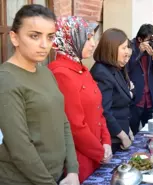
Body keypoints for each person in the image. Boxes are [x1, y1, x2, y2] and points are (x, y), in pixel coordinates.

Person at [0, 4, 79, 185]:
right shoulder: (6, 80)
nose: (44, 45)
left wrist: (73, 170)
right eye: (34, 36)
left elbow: (63, 121)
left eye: (50, 37)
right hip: (21, 180)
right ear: (14, 38)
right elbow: (19, 148)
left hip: (57, 175)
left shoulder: (45, 72)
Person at [48, 16, 112, 183]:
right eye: (87, 39)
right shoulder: (61, 73)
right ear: (71, 39)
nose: (93, 44)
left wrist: (106, 142)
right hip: (79, 160)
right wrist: (100, 151)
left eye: (92, 38)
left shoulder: (82, 69)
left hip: (96, 154)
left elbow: (99, 111)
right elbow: (74, 125)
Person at [91, 28, 134, 153]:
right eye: (124, 48)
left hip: (121, 132)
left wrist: (128, 129)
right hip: (112, 139)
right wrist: (123, 135)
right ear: (111, 48)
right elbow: (104, 111)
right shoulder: (101, 72)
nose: (127, 52)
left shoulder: (116, 68)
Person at [127, 24, 153, 135]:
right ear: (140, 39)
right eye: (148, 41)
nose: (151, 44)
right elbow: (126, 69)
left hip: (150, 100)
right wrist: (139, 53)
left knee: (151, 134)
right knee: (133, 134)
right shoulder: (129, 47)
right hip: (135, 100)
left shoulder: (152, 49)